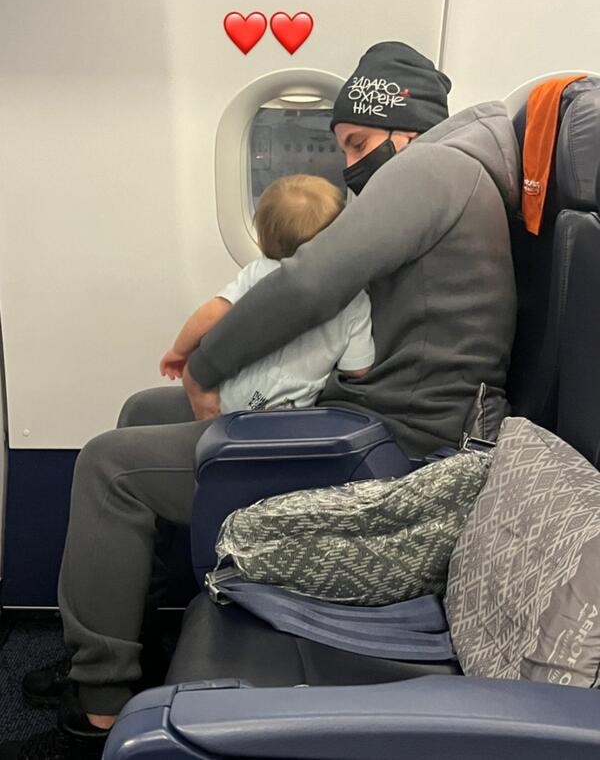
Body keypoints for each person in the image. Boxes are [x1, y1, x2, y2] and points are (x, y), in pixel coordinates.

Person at [1, 42, 519, 759]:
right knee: (144, 412)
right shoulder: (448, 169)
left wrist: (208, 365)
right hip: (370, 414)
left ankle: (100, 699)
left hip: (396, 450)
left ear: (404, 129)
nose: (350, 165)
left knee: (109, 466)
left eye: (359, 144)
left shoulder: (434, 169)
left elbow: (311, 281)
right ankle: (127, 634)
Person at [159, 174, 374, 415]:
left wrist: (179, 351)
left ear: (263, 235)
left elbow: (212, 313)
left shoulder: (259, 274)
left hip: (236, 399)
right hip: (293, 408)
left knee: (210, 404)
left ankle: (212, 428)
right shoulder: (354, 299)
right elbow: (358, 368)